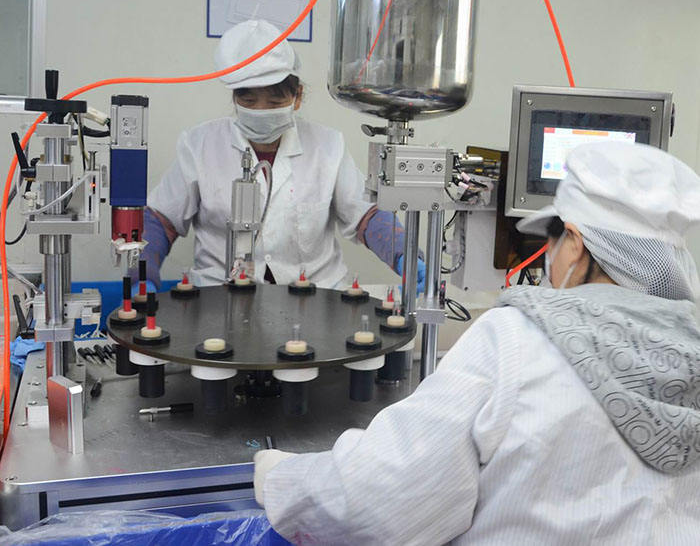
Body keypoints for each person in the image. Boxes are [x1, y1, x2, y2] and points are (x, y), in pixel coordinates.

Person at [254, 140, 700, 545]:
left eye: (553, 240)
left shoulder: (519, 341)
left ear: (577, 245)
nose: (547, 257)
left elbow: (380, 503)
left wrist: (285, 481)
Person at [139, 19, 425, 290]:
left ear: (297, 97)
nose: (261, 110)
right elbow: (161, 220)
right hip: (219, 294)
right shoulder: (199, 145)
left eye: (275, 101)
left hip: (315, 295)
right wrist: (143, 272)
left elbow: (366, 216)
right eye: (248, 100)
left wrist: (404, 254)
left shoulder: (328, 146)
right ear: (234, 98)